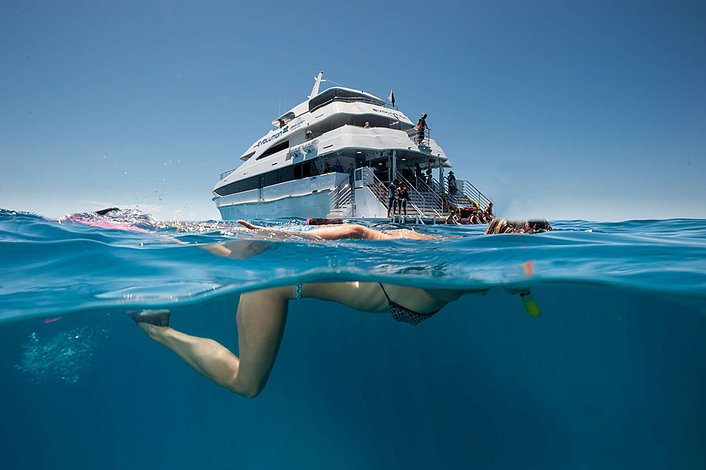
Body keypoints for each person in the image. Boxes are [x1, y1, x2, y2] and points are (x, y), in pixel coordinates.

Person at [130, 218, 551, 398]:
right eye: (531, 265)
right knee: (247, 384)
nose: (534, 274)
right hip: (273, 285)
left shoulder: (472, 269)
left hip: (286, 274)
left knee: (234, 252)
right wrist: (276, 237)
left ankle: (154, 234)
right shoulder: (445, 266)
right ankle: (156, 327)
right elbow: (359, 231)